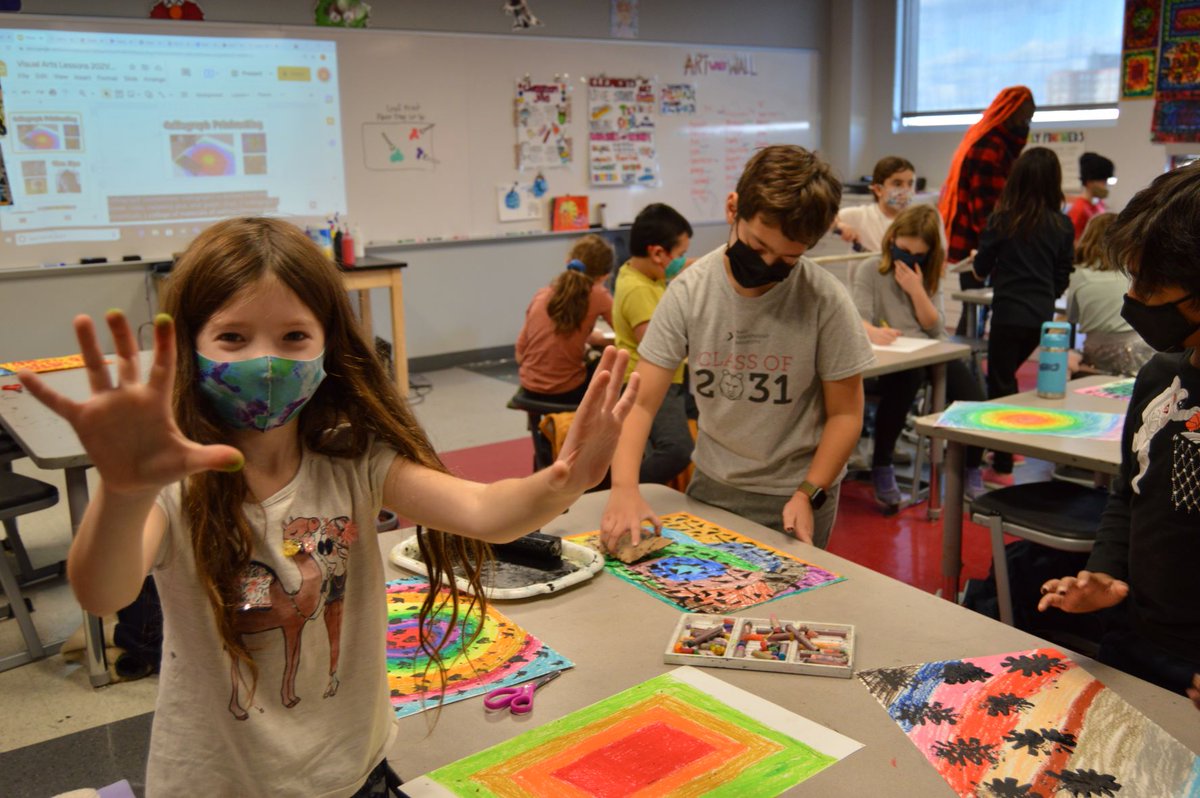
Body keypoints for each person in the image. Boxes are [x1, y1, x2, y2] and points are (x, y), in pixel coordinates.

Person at [16, 217, 637, 797]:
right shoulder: (173, 483)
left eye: (294, 337)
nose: (265, 362)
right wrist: (124, 492)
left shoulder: (354, 461)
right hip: (220, 783)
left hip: (353, 772)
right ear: (189, 346)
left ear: (326, 347)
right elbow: (102, 592)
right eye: (232, 337)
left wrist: (563, 482)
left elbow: (484, 512)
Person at [600, 145, 875, 550]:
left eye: (787, 258)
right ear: (733, 209)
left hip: (797, 492)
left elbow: (846, 414)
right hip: (713, 485)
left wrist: (809, 492)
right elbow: (640, 402)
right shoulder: (690, 292)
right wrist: (624, 487)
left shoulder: (825, 300)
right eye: (758, 246)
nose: (766, 265)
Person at [1038, 161, 1200, 704]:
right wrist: (1102, 575)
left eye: (1150, 285)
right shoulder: (1159, 376)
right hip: (1134, 640)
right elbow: (1128, 495)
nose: (1135, 298)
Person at [851, 204, 987, 512]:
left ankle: (971, 469)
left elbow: (935, 327)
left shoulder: (928, 273)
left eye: (917, 254)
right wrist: (874, 332)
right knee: (903, 385)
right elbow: (858, 319)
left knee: (974, 398)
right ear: (892, 240)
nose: (908, 258)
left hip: (929, 350)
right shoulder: (870, 269)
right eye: (903, 250)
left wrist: (916, 290)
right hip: (893, 356)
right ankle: (882, 466)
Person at [972, 147, 1073, 485]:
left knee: (1000, 383)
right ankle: (1009, 446)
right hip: (1040, 316)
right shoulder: (1062, 224)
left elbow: (981, 268)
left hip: (1008, 313)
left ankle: (1002, 466)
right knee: (1009, 380)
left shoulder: (1003, 220)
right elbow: (1062, 274)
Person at [939, 85, 1035, 336]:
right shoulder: (991, 147)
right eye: (1023, 119)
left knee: (976, 309)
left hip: (982, 241)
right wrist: (993, 247)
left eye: (1029, 120)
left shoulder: (989, 140)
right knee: (973, 308)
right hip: (979, 243)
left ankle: (966, 357)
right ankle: (962, 358)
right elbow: (985, 207)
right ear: (1010, 113)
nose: (1025, 125)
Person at [612, 203, 696, 485]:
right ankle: (624, 488)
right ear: (658, 253)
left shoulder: (643, 272)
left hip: (669, 380)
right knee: (678, 450)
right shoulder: (639, 289)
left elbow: (684, 267)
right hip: (649, 383)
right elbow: (657, 346)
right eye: (680, 254)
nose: (682, 261)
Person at [515, 233, 615, 405]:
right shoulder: (598, 294)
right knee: (607, 366)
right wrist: (603, 341)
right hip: (568, 390)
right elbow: (626, 335)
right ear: (604, 276)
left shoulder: (542, 294)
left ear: (568, 260)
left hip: (529, 388)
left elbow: (520, 355)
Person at [1067, 212, 1154, 376]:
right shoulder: (1132, 272)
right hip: (1140, 347)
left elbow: (1072, 318)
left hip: (1099, 350)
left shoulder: (1078, 273)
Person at [834, 156, 919, 253]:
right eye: (897, 184)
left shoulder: (917, 221)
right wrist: (840, 225)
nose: (906, 190)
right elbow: (827, 218)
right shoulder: (862, 215)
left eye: (910, 184)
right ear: (878, 189)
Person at [1066, 152, 1115, 242]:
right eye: (1103, 181)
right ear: (1089, 182)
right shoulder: (1079, 208)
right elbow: (1072, 242)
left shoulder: (1099, 204)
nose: (1106, 186)